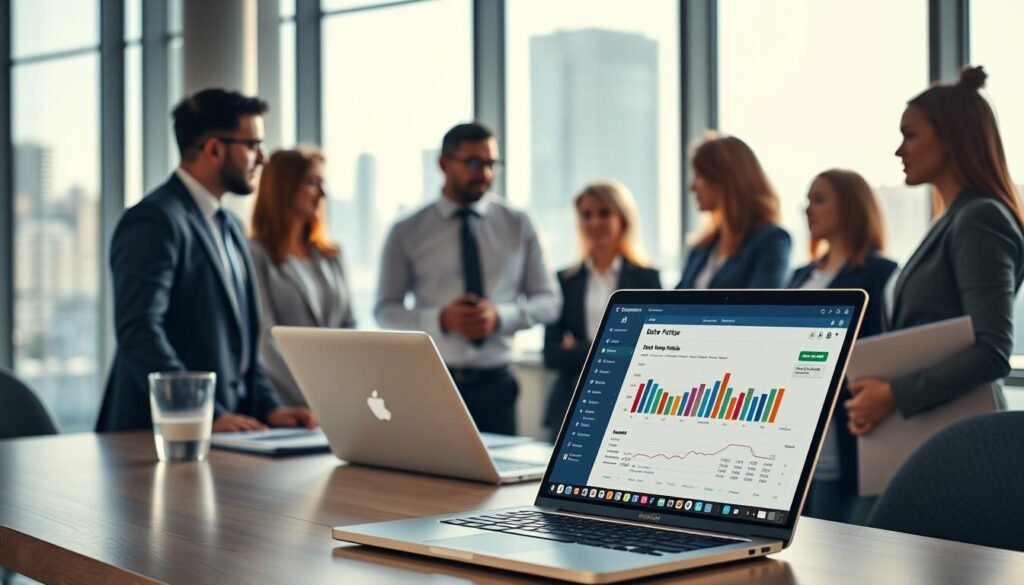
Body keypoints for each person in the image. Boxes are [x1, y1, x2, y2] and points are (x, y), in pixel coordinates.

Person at [96, 89, 316, 433]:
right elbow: (139, 331)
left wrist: (271, 409)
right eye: (252, 145)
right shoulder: (154, 220)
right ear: (214, 149)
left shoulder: (230, 226)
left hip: (224, 437)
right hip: (155, 438)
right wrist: (204, 414)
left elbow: (242, 346)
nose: (263, 159)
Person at [845, 66, 1024, 438]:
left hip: (962, 439)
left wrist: (894, 394)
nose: (899, 150)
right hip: (929, 431)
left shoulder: (980, 217)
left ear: (952, 139)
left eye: (910, 136)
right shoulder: (950, 220)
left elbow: (993, 349)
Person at [375, 122, 561, 435]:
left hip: (498, 386)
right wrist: (442, 319)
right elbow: (384, 310)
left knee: (499, 482)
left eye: (491, 164)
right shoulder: (406, 230)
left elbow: (550, 302)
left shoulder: (519, 223)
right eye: (474, 163)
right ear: (444, 163)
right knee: (430, 481)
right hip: (432, 385)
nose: (485, 174)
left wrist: (500, 317)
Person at [789, 169, 898, 523]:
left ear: (851, 207)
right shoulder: (800, 276)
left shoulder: (880, 273)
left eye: (819, 200)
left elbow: (882, 352)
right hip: (793, 435)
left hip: (845, 436)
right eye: (807, 201)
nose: (809, 210)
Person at [542, 181, 661, 440]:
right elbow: (551, 354)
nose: (594, 222)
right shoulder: (564, 280)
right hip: (570, 404)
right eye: (586, 215)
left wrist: (578, 348)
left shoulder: (646, 279)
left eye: (604, 213)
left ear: (623, 218)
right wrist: (613, 347)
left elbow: (651, 351)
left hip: (630, 403)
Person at [250, 148, 356, 407]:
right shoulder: (255, 255)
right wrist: (316, 396)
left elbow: (350, 328)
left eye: (322, 183)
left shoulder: (332, 256)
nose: (322, 194)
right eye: (312, 182)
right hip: (288, 402)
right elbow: (265, 338)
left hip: (339, 399)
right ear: (283, 188)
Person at [676, 134, 791, 289]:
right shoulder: (702, 247)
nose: (692, 187)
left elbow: (761, 306)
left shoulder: (770, 240)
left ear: (725, 179)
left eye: (699, 176)